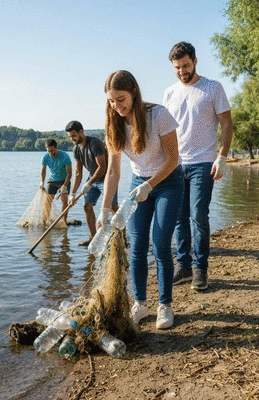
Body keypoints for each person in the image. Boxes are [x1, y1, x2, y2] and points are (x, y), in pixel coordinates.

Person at [98, 70, 184, 329]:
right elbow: (113, 170)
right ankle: (140, 304)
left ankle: (165, 306)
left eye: (121, 99)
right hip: (138, 185)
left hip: (168, 182)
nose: (117, 106)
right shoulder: (114, 123)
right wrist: (104, 207)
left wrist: (150, 184)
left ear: (134, 92)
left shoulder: (158, 115)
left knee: (159, 243)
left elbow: (173, 159)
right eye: (111, 101)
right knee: (136, 246)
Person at [163, 41, 233, 290]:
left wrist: (222, 157)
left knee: (198, 217)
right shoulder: (170, 93)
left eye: (186, 65)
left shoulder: (212, 88)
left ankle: (200, 269)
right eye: (177, 67)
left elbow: (227, 124)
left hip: (204, 162)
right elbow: (166, 132)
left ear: (195, 61)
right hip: (175, 165)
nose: (182, 71)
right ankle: (183, 267)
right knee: (179, 219)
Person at [65, 120, 118, 246]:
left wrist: (89, 183)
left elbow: (102, 167)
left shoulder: (95, 143)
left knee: (112, 207)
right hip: (92, 178)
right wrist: (72, 193)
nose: (72, 139)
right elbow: (78, 173)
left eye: (74, 135)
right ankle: (93, 238)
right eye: (70, 136)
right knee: (86, 206)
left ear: (81, 132)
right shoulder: (76, 149)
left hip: (107, 178)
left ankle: (122, 239)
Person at [39, 138, 72, 224]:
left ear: (56, 147)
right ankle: (45, 221)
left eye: (52, 150)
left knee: (64, 201)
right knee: (48, 200)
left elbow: (69, 173)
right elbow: (43, 170)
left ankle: (63, 221)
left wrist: (64, 186)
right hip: (52, 180)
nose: (51, 153)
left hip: (64, 180)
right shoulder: (45, 157)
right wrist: (42, 182)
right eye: (48, 151)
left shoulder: (65, 156)